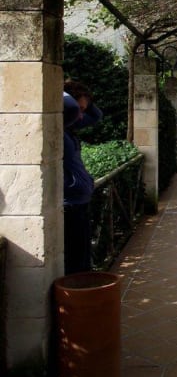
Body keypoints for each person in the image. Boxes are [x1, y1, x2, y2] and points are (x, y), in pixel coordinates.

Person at [63, 80, 103, 275]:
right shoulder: (58, 129)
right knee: (76, 265)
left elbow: (96, 116)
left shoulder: (70, 127)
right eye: (79, 109)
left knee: (83, 261)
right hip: (69, 205)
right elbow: (71, 108)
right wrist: (62, 91)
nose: (81, 115)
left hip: (79, 202)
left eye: (83, 110)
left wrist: (87, 99)